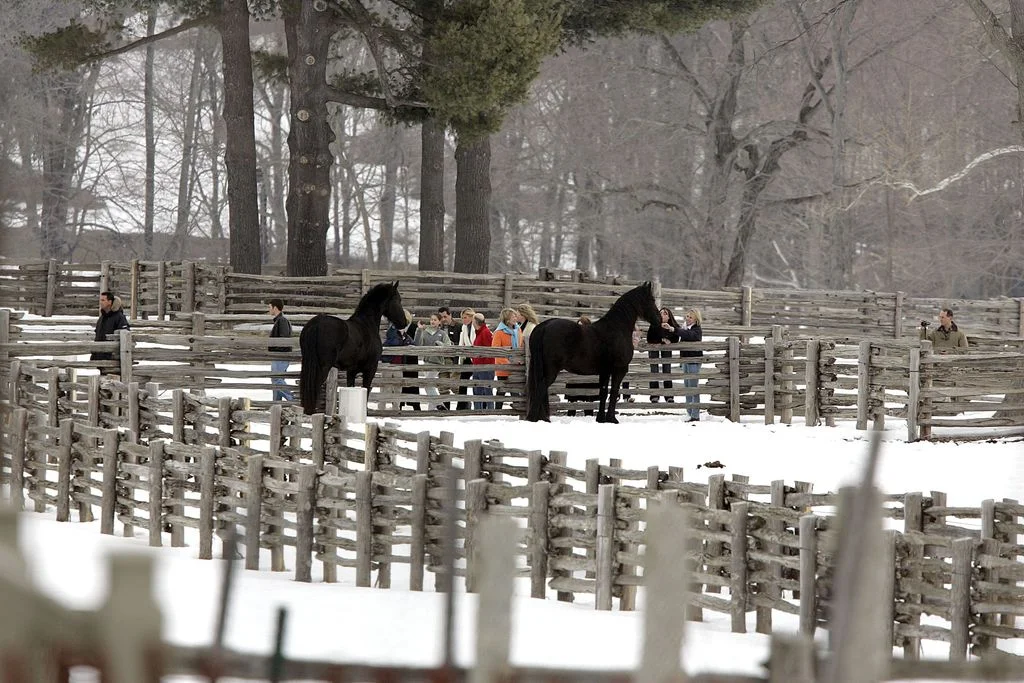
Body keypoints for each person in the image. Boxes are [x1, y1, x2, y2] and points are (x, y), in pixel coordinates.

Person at [384, 309, 421, 410]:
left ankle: (414, 404)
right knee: (397, 382)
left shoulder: (412, 327)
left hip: (410, 358)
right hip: (399, 358)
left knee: (411, 381)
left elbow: (415, 342)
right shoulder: (394, 327)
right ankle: (399, 404)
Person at [415, 313, 453, 410]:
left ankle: (440, 404)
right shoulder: (425, 332)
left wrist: (440, 344)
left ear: (439, 322)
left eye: (435, 320)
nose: (432, 321)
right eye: (431, 319)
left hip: (437, 363)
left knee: (427, 384)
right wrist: (419, 330)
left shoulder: (442, 333)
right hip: (426, 362)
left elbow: (448, 345)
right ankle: (431, 410)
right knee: (430, 385)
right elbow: (418, 344)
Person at [566, 316, 599, 416]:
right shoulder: (572, 339)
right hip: (575, 368)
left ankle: (588, 412)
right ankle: (571, 411)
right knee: (573, 393)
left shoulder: (593, 339)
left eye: (582, 325)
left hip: (587, 369)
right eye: (578, 325)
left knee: (588, 393)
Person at [91, 290, 130, 375]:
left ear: (110, 302)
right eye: (100, 300)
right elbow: (98, 337)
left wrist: (113, 354)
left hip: (112, 360)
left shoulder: (119, 318)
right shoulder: (102, 318)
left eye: (103, 300)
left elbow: (125, 335)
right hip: (100, 359)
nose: (101, 302)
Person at [647, 306, 679, 402]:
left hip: (667, 350)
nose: (662, 315)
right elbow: (650, 338)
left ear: (669, 317)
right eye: (660, 313)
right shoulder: (654, 324)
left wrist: (668, 337)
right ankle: (654, 395)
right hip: (653, 349)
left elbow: (676, 338)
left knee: (667, 370)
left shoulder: (671, 326)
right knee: (654, 370)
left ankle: (668, 395)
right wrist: (662, 340)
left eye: (665, 313)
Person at [677, 308, 703, 421]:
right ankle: (689, 411)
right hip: (686, 360)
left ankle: (695, 414)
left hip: (694, 360)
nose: (687, 318)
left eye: (690, 317)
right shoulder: (684, 328)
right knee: (687, 386)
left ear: (696, 319)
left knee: (693, 387)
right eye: (687, 316)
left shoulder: (697, 329)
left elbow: (689, 335)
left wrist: (676, 330)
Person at [491, 308, 521, 408]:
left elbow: (521, 346)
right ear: (507, 319)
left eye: (516, 316)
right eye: (513, 316)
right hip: (503, 368)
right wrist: (509, 364)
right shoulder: (498, 333)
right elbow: (497, 352)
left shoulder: (518, 330)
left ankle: (517, 410)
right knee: (501, 391)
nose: (516, 318)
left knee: (515, 390)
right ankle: (498, 412)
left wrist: (519, 360)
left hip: (516, 367)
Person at [267, 298, 294, 402]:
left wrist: (275, 350)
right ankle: (276, 404)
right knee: (276, 379)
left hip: (281, 356)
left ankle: (292, 399)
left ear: (275, 308)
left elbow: (284, 340)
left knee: (277, 379)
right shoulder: (279, 321)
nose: (269, 310)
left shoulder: (282, 321)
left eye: (270, 307)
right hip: (278, 356)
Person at [470, 313, 494, 410]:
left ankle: (490, 410)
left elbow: (489, 351)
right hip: (478, 366)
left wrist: (486, 366)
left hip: (485, 367)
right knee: (477, 389)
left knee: (487, 390)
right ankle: (478, 410)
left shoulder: (485, 333)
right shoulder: (479, 332)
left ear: (475, 322)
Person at [454, 308, 477, 410]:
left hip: (476, 357)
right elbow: (461, 342)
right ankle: (461, 405)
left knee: (477, 381)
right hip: (467, 357)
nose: (463, 320)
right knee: (463, 382)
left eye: (465, 317)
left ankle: (480, 404)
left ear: (472, 317)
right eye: (462, 318)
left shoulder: (476, 327)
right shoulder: (464, 328)